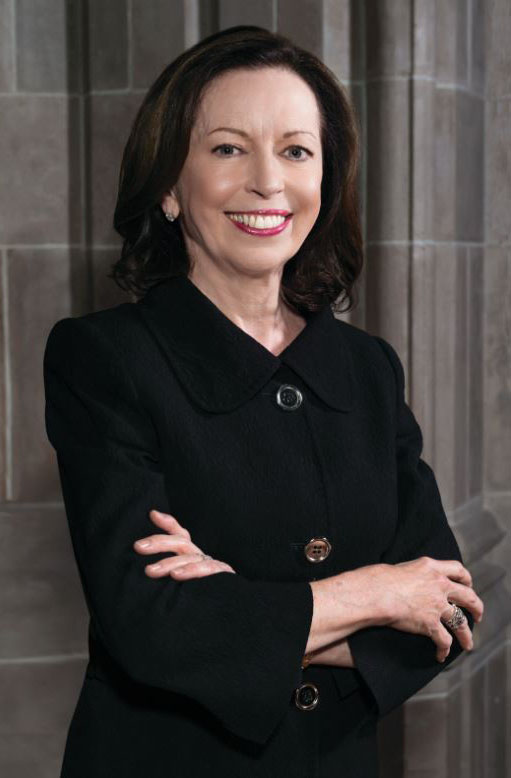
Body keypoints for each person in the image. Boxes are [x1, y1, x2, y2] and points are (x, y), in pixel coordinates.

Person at [43, 25, 484, 778]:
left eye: (295, 150)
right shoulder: (103, 358)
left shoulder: (367, 368)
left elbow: (444, 613)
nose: (267, 182)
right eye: (226, 149)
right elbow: (151, 628)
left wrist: (243, 609)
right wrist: (375, 592)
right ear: (170, 188)